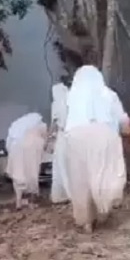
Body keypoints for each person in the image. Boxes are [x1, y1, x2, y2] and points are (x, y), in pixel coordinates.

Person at [62, 65, 130, 233]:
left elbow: (63, 123)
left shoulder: (70, 97)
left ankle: (86, 221)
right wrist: (125, 133)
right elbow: (124, 123)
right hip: (103, 135)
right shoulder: (108, 94)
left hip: (74, 138)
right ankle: (105, 206)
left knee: (80, 179)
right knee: (104, 173)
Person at [5, 112, 48, 209]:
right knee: (32, 174)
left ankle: (18, 202)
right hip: (32, 150)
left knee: (18, 175)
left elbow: (8, 143)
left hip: (15, 150)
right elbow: (45, 141)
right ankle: (31, 202)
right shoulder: (41, 125)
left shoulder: (15, 126)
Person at [50, 76, 71, 204]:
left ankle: (66, 194)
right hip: (72, 136)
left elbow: (54, 124)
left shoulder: (56, 104)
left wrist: (48, 139)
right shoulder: (71, 102)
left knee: (61, 165)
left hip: (62, 136)